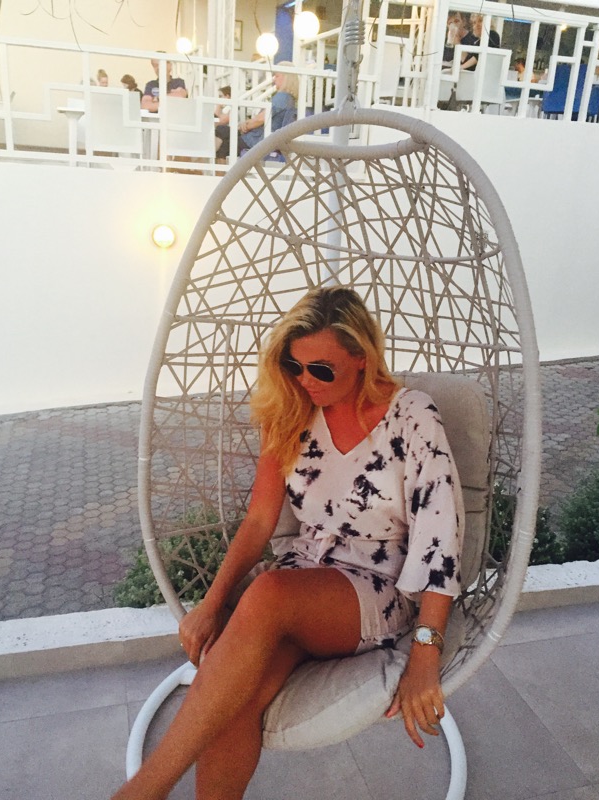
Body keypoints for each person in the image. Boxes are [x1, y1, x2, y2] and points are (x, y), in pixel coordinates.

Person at [110, 286, 464, 800]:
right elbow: (259, 521)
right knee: (237, 695)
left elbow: (439, 535)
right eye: (294, 366)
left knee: (270, 593)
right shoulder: (292, 413)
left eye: (321, 369)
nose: (305, 380)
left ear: (362, 358)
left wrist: (426, 656)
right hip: (303, 576)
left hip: (378, 585)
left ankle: (139, 793)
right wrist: (210, 603)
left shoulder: (411, 415)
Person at [215, 62, 298, 159]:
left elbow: (260, 119)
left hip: (257, 140)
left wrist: (245, 126)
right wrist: (246, 124)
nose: (274, 79)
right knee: (224, 140)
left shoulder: (282, 97)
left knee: (222, 133)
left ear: (286, 78)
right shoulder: (290, 99)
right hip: (265, 139)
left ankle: (204, 162)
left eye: (277, 76)